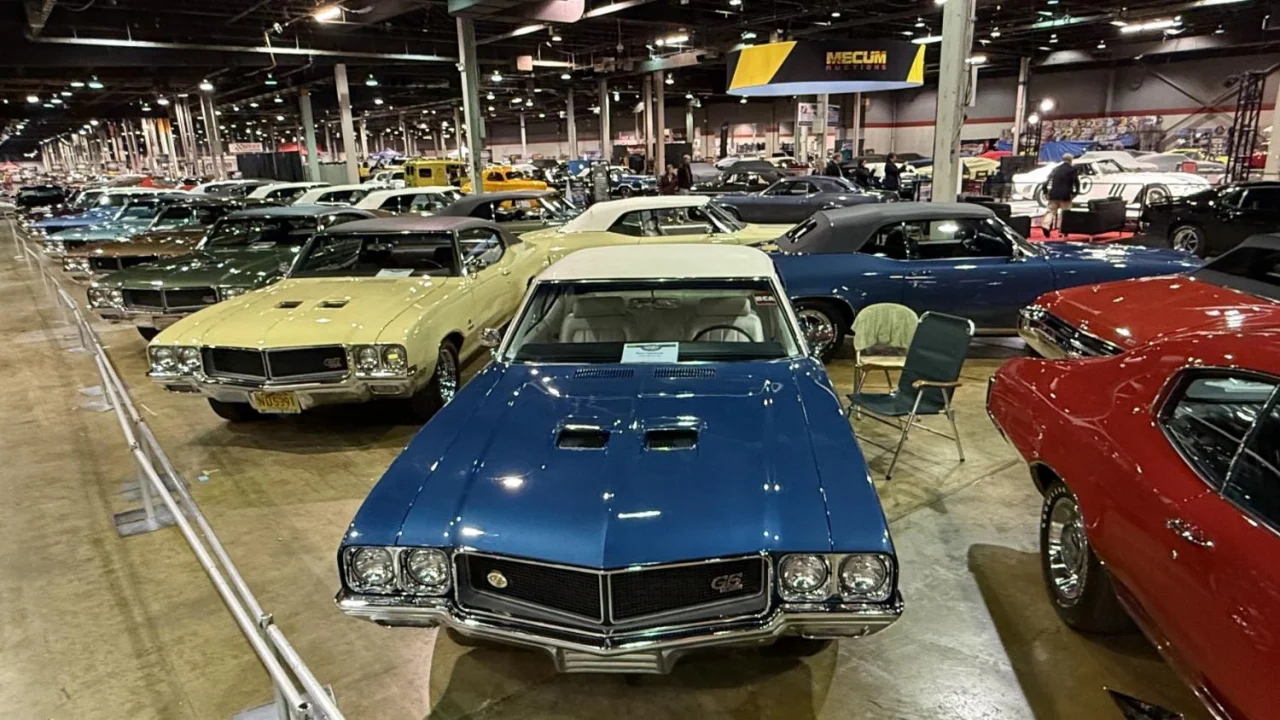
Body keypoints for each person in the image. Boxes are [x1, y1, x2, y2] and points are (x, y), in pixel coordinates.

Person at [1041, 153, 1080, 235]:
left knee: (1050, 211)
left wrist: (1045, 191)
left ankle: (1046, 225)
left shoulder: (1056, 169)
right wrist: (1076, 192)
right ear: (1071, 160)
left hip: (1053, 194)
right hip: (1065, 195)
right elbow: (1076, 182)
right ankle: (1063, 231)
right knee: (1065, 213)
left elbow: (1046, 181)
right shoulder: (1072, 170)